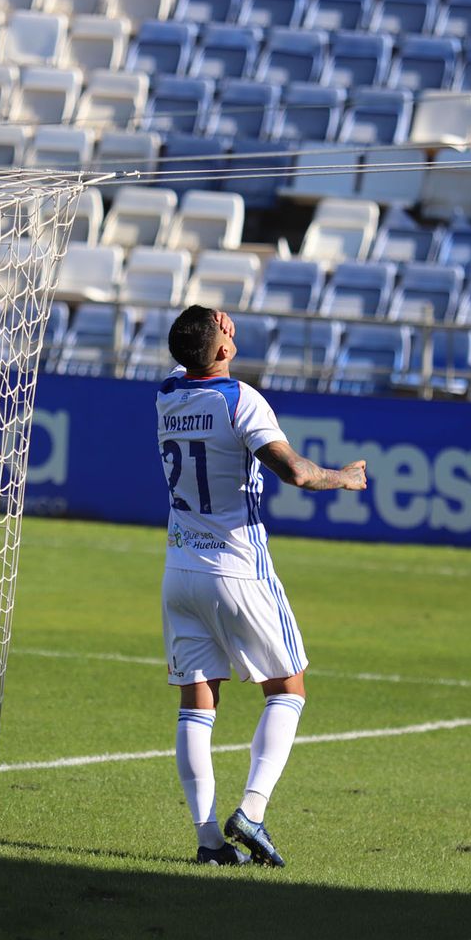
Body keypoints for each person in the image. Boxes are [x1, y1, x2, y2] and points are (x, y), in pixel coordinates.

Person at [157, 305, 368, 867]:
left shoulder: (167, 394)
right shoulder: (240, 400)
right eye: (224, 329)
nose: (230, 328)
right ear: (224, 349)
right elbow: (296, 472)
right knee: (287, 689)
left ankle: (209, 843)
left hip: (180, 569)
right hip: (238, 569)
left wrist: (206, 328)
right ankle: (251, 810)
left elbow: (190, 351)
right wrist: (344, 477)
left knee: (197, 703)